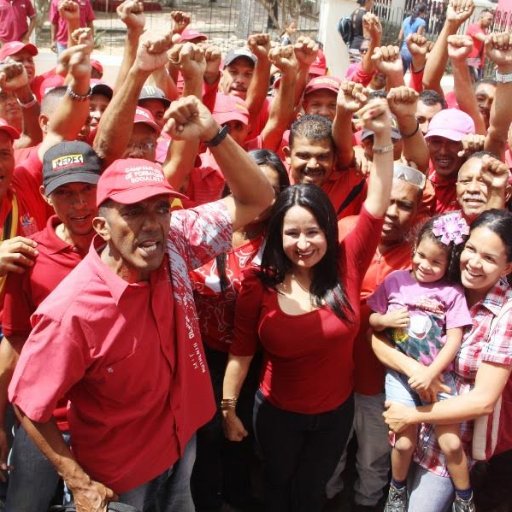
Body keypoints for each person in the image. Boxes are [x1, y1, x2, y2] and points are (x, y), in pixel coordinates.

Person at [7, 94, 274, 511]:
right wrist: (78, 483)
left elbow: (258, 199)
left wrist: (214, 134)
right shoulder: (72, 309)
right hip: (121, 475)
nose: (151, 225)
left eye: (160, 208)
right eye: (132, 213)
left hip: (181, 439)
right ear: (101, 225)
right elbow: (29, 401)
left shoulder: (177, 241)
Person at [222, 98, 394, 512]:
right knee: (277, 488)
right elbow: (241, 355)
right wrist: (228, 410)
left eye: (313, 232)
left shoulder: (348, 260)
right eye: (292, 233)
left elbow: (380, 197)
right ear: (277, 236)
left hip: (336, 416)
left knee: (312, 491)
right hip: (277, 415)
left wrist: (385, 134)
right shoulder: (256, 284)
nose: (303, 244)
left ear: (329, 231)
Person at [373, 209, 512, 512]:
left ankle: (466, 500)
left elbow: (483, 402)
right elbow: (378, 340)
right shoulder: (441, 281)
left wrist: (411, 417)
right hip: (410, 408)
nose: (474, 262)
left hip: (452, 435)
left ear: (506, 268)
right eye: (471, 250)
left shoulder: (506, 313)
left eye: (489, 258)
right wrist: (413, 369)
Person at [1, 141, 102, 512]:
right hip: (43, 423)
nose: (80, 205)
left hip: (108, 425)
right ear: (45, 196)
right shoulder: (28, 257)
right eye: (66, 193)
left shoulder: (124, 249)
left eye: (87, 190)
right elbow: (14, 341)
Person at [190, 149, 289, 512]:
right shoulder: (203, 231)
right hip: (199, 357)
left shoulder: (283, 244)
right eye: (249, 184)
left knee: (238, 437)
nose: (259, 196)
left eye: (271, 189)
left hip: (253, 362)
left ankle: (236, 499)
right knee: (204, 438)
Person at [326, 164, 426, 511]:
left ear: (418, 211)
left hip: (381, 381)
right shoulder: (344, 232)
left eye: (404, 205)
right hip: (332, 374)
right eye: (387, 200)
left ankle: (366, 504)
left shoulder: (422, 256)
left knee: (373, 457)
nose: (392, 212)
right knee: (331, 453)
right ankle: (329, 500)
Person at [368, 213, 473, 511]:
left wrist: (432, 373)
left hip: (439, 377)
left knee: (451, 443)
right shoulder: (395, 281)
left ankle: (465, 498)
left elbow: (454, 338)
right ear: (413, 249)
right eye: (421, 256)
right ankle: (397, 489)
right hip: (400, 378)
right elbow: (373, 320)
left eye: (436, 262)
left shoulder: (452, 293)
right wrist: (384, 319)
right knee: (403, 443)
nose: (425, 265)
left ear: (448, 264)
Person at [398, 4, 428, 73]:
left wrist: (400, 50)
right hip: (412, 53)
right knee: (414, 77)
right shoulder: (422, 22)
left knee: (400, 77)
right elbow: (418, 39)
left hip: (402, 51)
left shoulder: (406, 20)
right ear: (422, 12)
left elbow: (400, 37)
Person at [465, 9, 494, 81]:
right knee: (472, 86)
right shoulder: (473, 27)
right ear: (481, 18)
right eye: (489, 19)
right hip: (471, 61)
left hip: (479, 63)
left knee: (476, 87)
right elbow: (485, 39)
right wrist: (493, 36)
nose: (490, 22)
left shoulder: (484, 31)